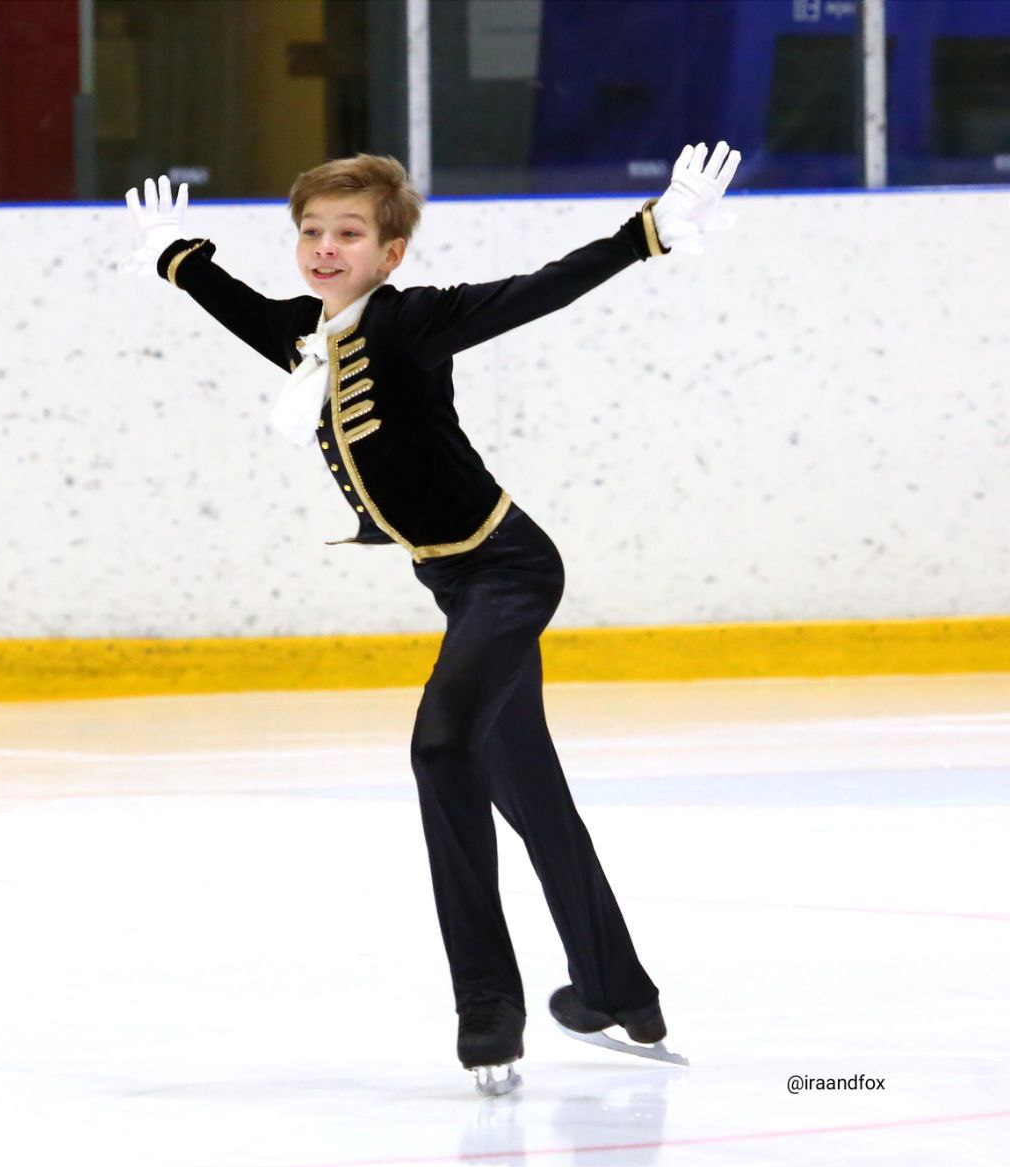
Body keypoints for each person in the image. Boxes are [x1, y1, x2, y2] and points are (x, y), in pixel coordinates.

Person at [122, 143, 740, 1094]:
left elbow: (535, 292)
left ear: (391, 253)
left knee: (443, 750)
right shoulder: (305, 332)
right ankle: (619, 992)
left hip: (510, 572)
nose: (325, 248)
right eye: (311, 232)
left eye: (349, 233)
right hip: (459, 586)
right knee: (531, 795)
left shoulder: (414, 322)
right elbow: (235, 304)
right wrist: (176, 255)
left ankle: (488, 1009)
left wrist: (647, 233)